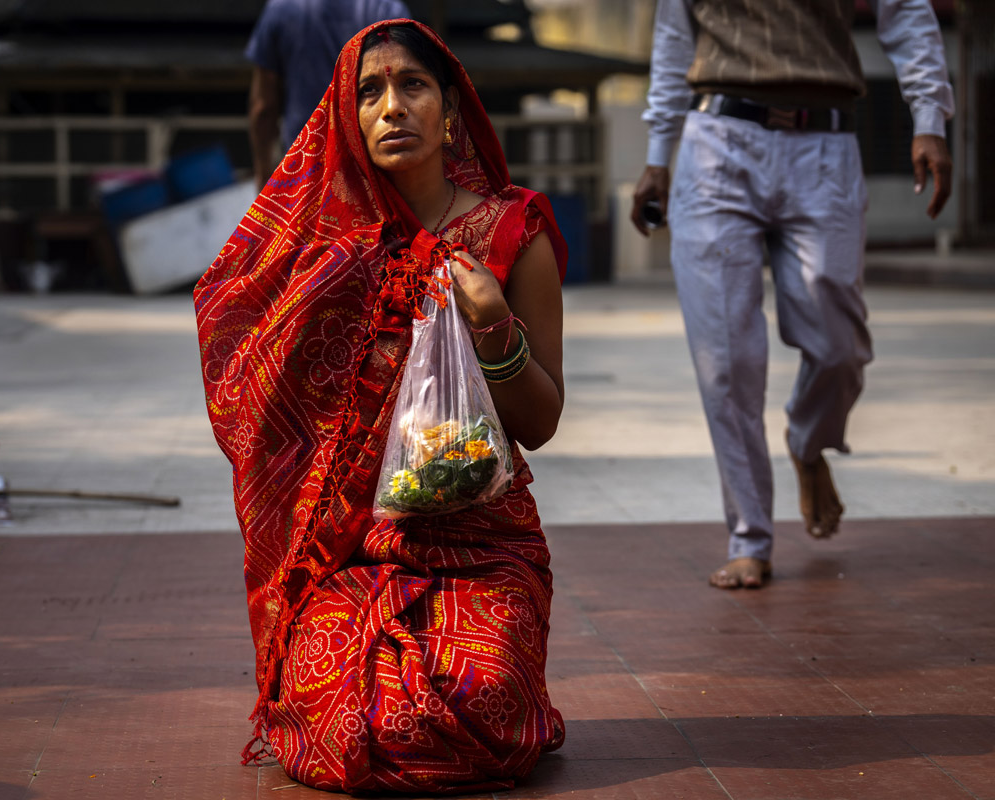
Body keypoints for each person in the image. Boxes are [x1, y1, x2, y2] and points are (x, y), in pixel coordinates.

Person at [195, 19, 568, 794]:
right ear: (346, 116)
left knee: (478, 696)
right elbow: (245, 370)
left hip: (482, 542)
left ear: (452, 111)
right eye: (369, 91)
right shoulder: (319, 253)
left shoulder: (509, 231)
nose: (392, 107)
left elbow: (539, 422)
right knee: (342, 714)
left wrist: (493, 322)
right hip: (351, 547)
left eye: (413, 85)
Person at [631, 0, 954, 589]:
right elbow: (673, 39)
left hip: (824, 144)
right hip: (717, 145)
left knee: (840, 347)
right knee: (725, 359)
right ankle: (750, 536)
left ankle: (809, 442)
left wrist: (929, 117)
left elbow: (906, 11)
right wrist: (657, 156)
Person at [245, 0, 410, 191]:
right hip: (370, 170)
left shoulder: (281, 8)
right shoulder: (385, 8)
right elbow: (404, 89)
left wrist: (264, 175)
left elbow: (263, 107)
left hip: (304, 168)